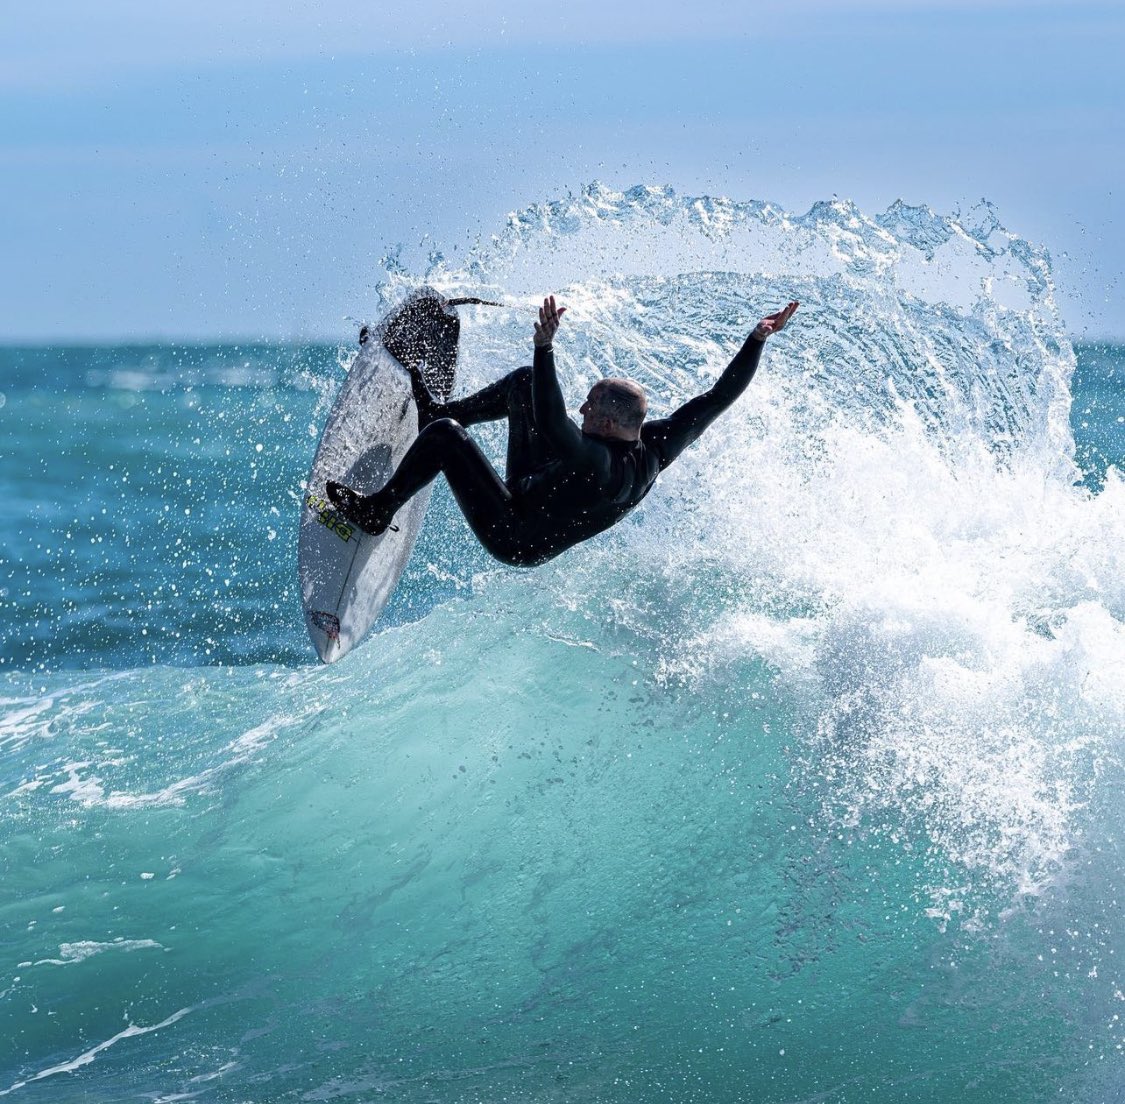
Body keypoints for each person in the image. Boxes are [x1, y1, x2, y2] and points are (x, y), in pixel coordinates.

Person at [328, 292, 799, 566]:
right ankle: (437, 413)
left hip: (514, 533)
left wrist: (545, 346)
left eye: (590, 406)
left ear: (610, 423)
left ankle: (377, 510)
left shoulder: (601, 465)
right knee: (526, 385)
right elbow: (717, 398)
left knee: (449, 437)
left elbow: (554, 423)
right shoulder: (655, 440)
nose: (582, 406)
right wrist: (756, 339)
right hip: (538, 487)